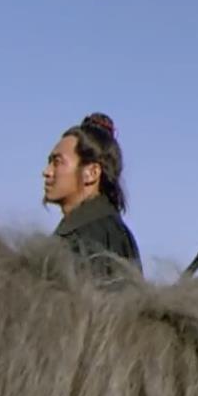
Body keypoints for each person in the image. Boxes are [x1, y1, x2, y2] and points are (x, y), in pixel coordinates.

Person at [43, 113, 142, 283]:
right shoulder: (104, 231)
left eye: (57, 162)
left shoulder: (92, 240)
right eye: (49, 162)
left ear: (92, 173)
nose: (47, 171)